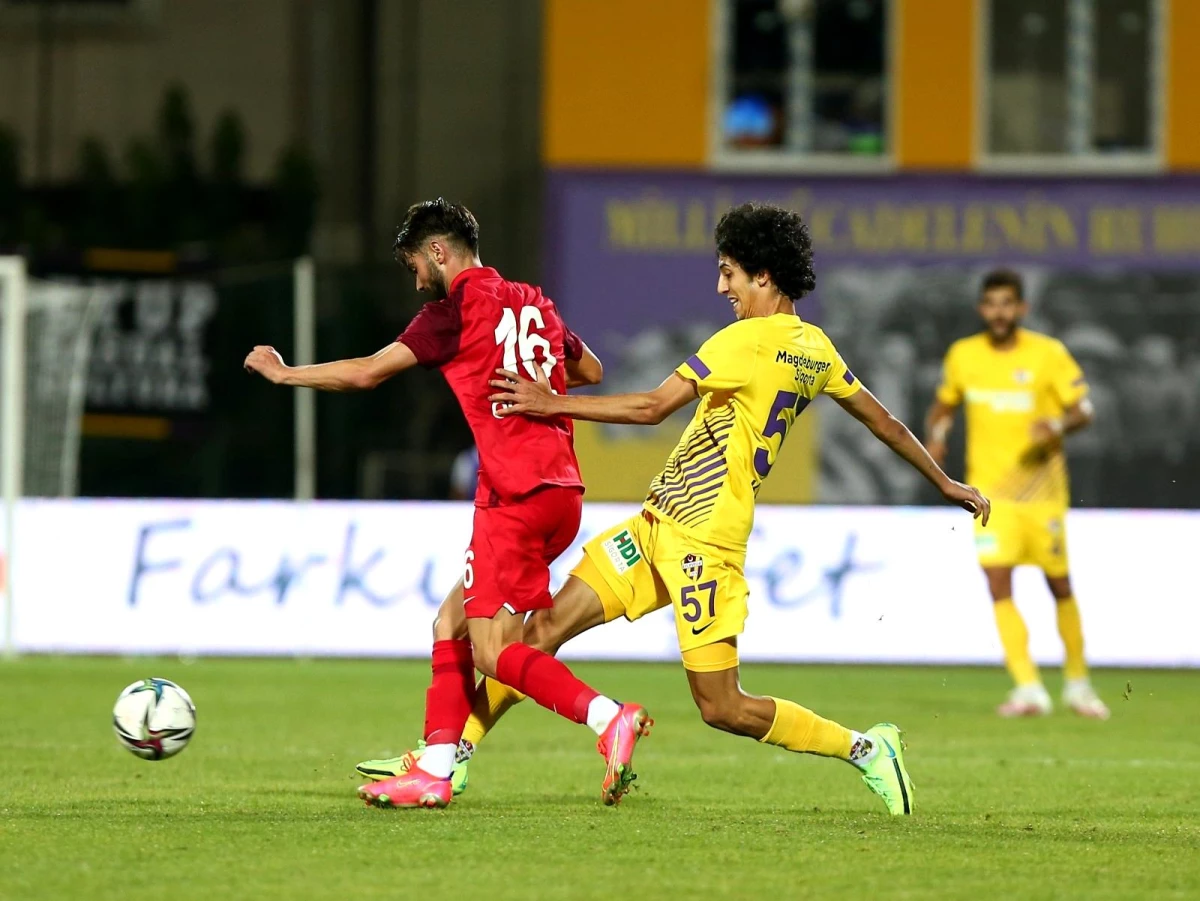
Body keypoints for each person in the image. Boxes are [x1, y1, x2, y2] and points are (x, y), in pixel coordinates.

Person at [361, 203, 989, 816]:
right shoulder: (816, 349)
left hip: (705, 546)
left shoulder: (742, 343)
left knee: (723, 707)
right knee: (538, 634)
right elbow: (885, 421)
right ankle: (447, 754)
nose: (722, 287)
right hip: (656, 524)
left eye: (729, 273)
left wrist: (553, 404)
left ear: (762, 276)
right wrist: (944, 481)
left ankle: (866, 747)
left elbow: (650, 408)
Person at [243, 198, 651, 809]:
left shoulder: (453, 311)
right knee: (450, 625)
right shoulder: (535, 301)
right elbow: (588, 368)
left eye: (414, 264)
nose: (415, 280)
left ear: (437, 251)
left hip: (512, 494)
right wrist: (540, 384)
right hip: (561, 491)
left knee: (493, 651)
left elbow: (367, 373)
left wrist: (285, 374)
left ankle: (605, 717)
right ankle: (436, 765)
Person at [924, 269, 1109, 719]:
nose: (999, 312)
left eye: (1008, 303)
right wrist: (937, 433)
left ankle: (1078, 684)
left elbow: (1084, 409)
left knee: (1059, 584)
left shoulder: (1048, 354)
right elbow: (945, 406)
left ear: (1021, 309)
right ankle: (1028, 687)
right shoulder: (963, 355)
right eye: (991, 303)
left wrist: (1059, 425)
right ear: (981, 309)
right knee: (998, 584)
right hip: (989, 497)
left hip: (1042, 495)